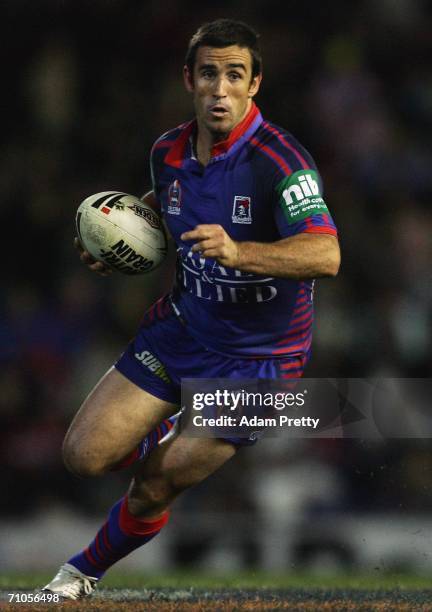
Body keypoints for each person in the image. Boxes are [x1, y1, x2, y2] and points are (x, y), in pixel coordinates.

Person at [42, 18, 340, 599]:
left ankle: (78, 575)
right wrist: (120, 241)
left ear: (255, 84)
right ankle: (164, 428)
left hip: (260, 364)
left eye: (235, 75)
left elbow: (326, 253)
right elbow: (166, 209)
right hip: (180, 333)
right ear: (190, 80)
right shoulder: (167, 152)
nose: (220, 89)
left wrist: (240, 251)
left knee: (153, 486)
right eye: (209, 74)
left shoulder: (281, 162)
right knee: (83, 456)